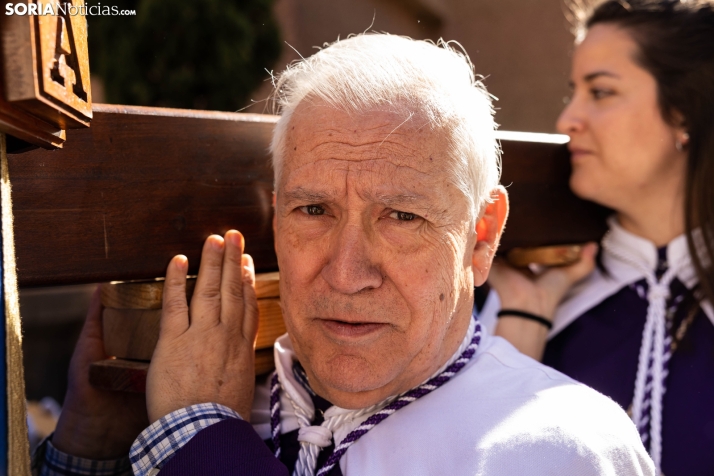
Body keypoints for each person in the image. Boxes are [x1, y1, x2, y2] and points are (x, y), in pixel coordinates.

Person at [33, 34, 653, 476]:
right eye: (313, 210)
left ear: (481, 234)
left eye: (402, 217)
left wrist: (200, 441)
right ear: (276, 216)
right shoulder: (202, 399)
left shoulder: (561, 451)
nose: (346, 273)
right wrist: (91, 452)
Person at [489, 2, 714, 476]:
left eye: (602, 91)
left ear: (684, 112)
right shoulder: (522, 297)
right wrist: (524, 316)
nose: (567, 120)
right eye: (574, 92)